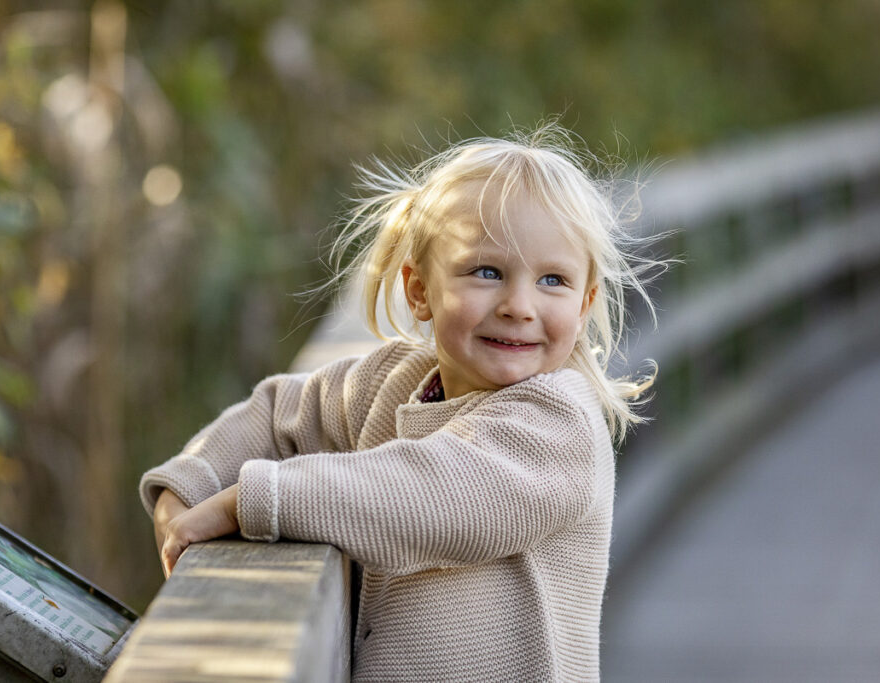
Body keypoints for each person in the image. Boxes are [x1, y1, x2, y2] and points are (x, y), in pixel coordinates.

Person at [139, 123, 661, 682]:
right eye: (486, 272)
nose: (519, 305)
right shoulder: (395, 383)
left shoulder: (561, 425)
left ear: (585, 304)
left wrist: (248, 501)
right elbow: (279, 413)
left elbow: (430, 492)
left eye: (552, 280)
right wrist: (187, 486)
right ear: (419, 290)